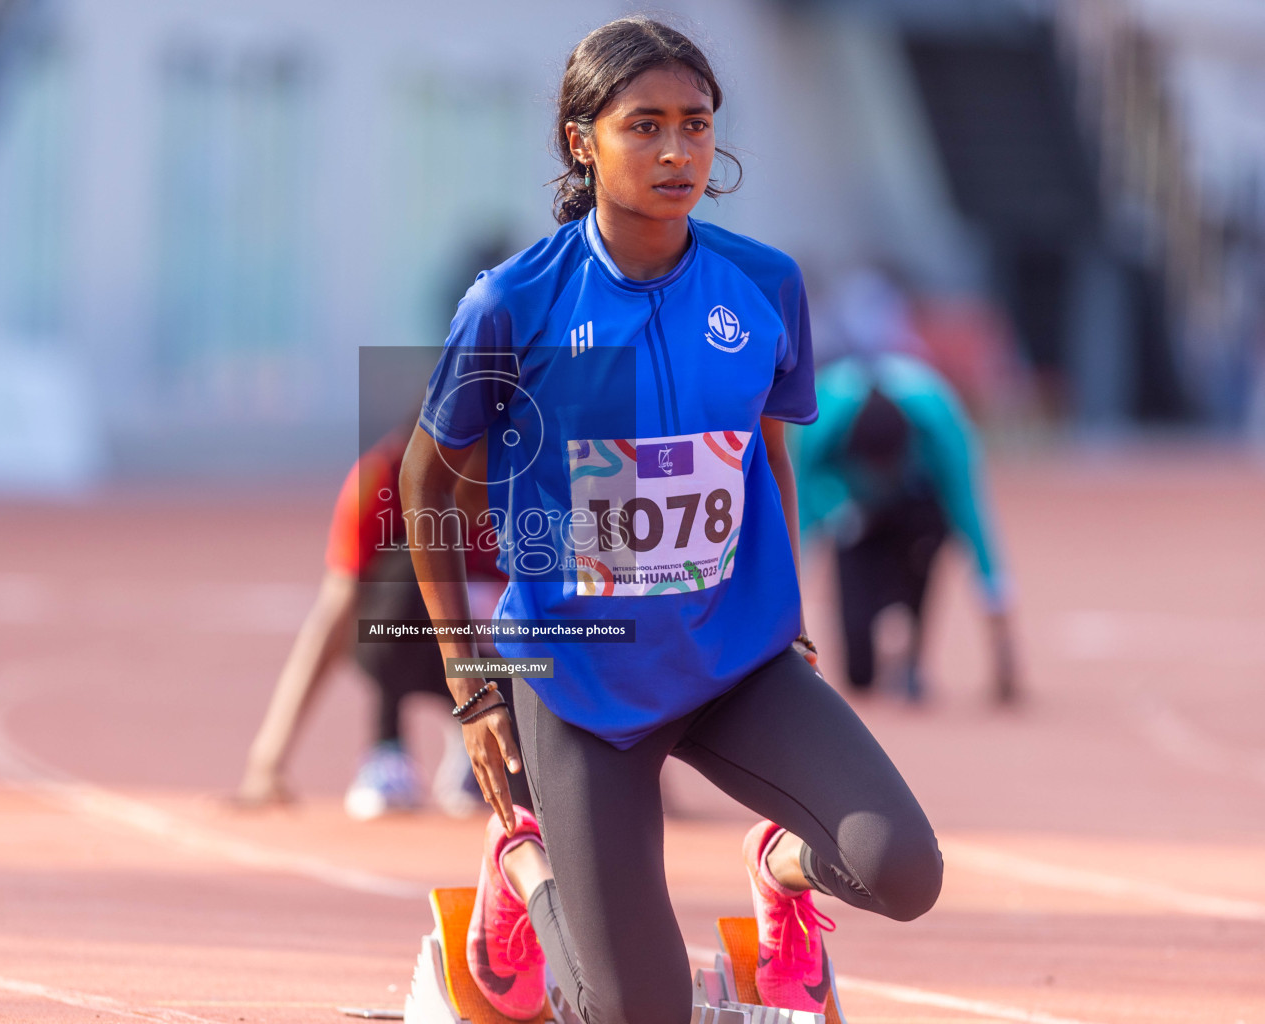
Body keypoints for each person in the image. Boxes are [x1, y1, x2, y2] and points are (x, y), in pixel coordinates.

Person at [400, 18, 942, 1024]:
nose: (676, 151)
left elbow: (767, 455)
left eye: (695, 126)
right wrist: (471, 683)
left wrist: (792, 620)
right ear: (581, 141)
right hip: (579, 679)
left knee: (903, 869)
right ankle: (523, 870)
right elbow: (424, 481)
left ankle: (777, 872)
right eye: (643, 126)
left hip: (735, 664)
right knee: (640, 1013)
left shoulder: (766, 286)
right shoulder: (512, 304)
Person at [236, 426, 529, 819]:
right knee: (418, 568)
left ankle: (486, 742)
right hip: (390, 637)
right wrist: (267, 759)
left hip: (490, 650)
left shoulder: (524, 485)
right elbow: (334, 612)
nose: (480, 507)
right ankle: (386, 749)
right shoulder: (378, 479)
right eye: (474, 488)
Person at [795, 341, 1019, 704]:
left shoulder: (941, 433)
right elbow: (798, 524)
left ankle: (912, 642)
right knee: (860, 676)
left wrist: (1002, 641)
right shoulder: (817, 427)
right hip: (849, 507)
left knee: (929, 533)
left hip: (917, 504)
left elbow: (972, 518)